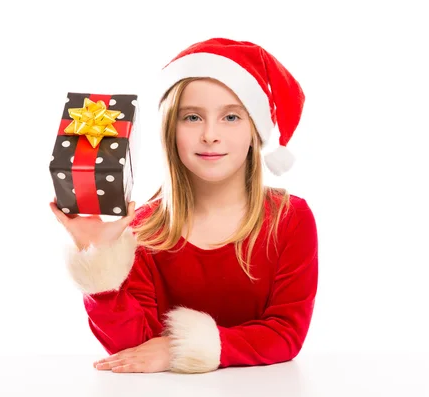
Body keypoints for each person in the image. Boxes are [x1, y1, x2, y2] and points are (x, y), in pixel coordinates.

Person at [49, 37, 319, 374]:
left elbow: (286, 333)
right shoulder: (144, 228)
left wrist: (180, 348)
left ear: (255, 130)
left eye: (231, 117)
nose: (210, 135)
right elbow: (131, 349)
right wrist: (99, 259)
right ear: (170, 129)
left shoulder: (289, 219)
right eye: (192, 117)